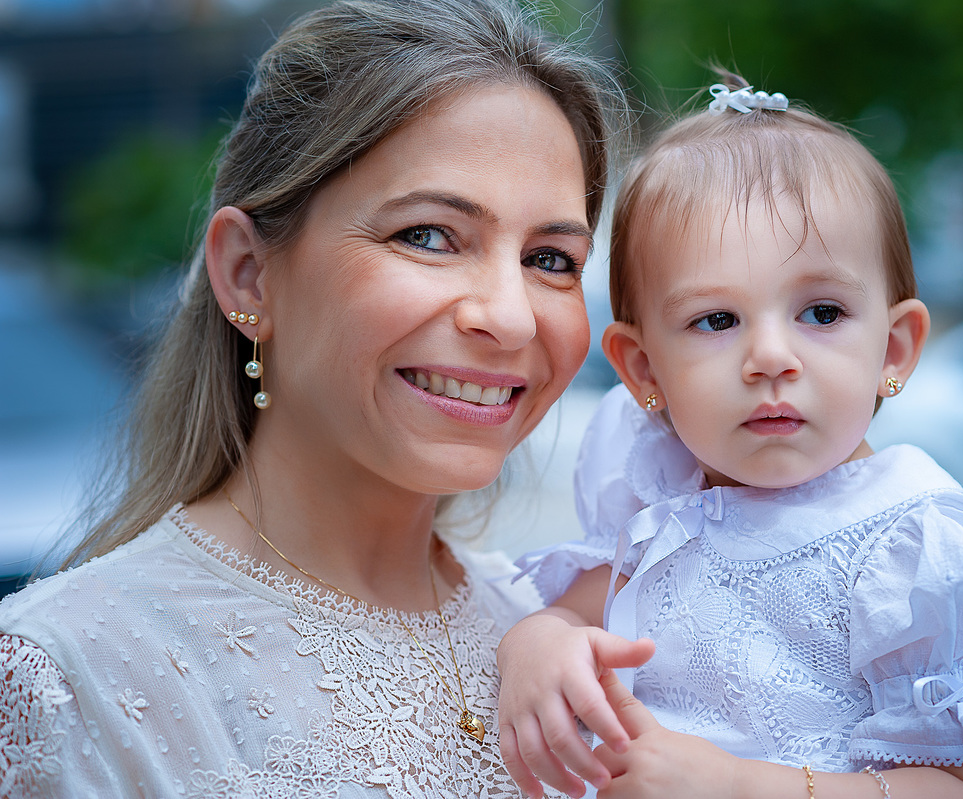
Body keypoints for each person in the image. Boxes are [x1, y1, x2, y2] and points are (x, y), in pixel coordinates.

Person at [0, 1, 625, 796]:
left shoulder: (555, 627)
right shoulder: (68, 675)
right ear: (248, 274)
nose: (508, 316)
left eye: (551, 257)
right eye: (428, 235)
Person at [497, 79, 963, 799]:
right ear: (642, 367)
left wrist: (741, 783)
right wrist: (535, 643)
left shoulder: (912, 549)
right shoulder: (658, 498)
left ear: (894, 349)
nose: (770, 357)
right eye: (717, 320)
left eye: (821, 311)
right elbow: (574, 615)